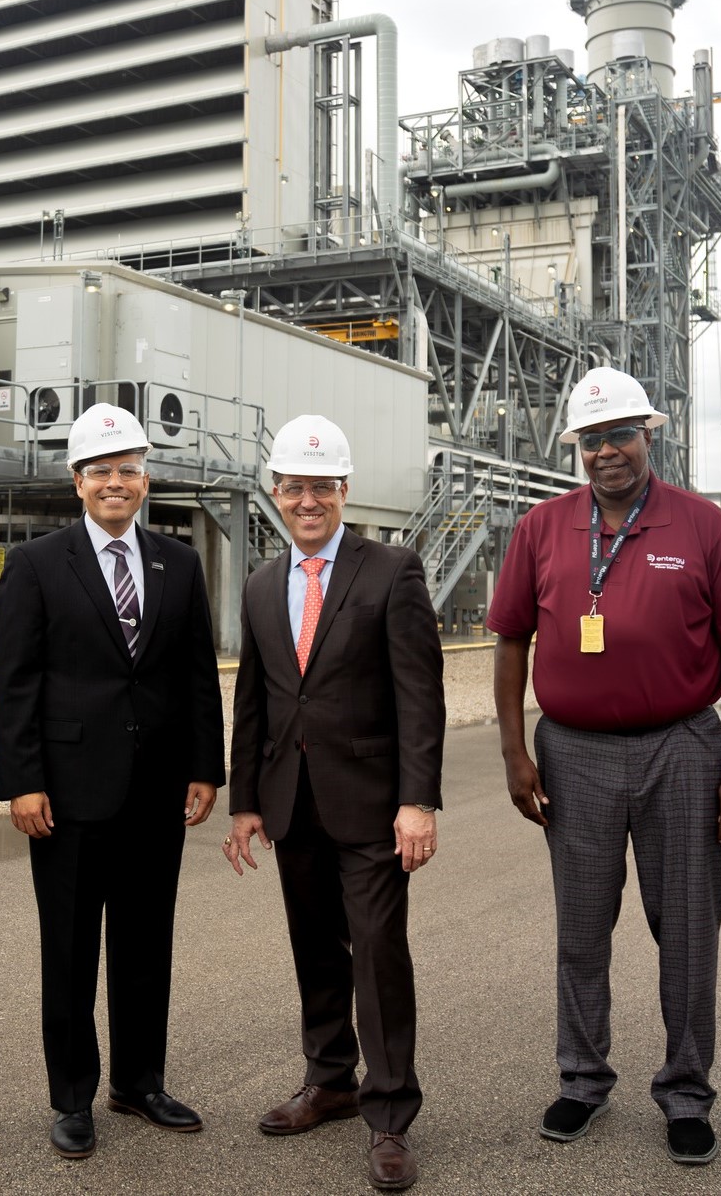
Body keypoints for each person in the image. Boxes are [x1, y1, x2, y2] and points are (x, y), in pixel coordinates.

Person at [487, 368, 721, 1168]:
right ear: (575, 446)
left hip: (682, 744)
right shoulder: (540, 528)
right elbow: (511, 641)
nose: (608, 450)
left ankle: (686, 1092)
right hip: (572, 751)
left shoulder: (703, 525)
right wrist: (514, 750)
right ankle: (582, 1079)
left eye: (621, 434)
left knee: (684, 930)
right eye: (592, 438)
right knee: (581, 928)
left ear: (652, 433)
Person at [0, 402, 224, 1160]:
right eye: (101, 471)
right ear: (77, 481)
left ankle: (139, 1079)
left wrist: (204, 766)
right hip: (65, 790)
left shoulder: (178, 562)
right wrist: (22, 780)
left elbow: (196, 676)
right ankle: (72, 1096)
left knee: (145, 940)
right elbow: (15, 681)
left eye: (128, 469)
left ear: (146, 477)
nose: (116, 483)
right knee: (68, 948)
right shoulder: (34, 564)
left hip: (156, 788)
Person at [225, 415, 446, 1192]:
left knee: (378, 951)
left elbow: (421, 697)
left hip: (373, 804)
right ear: (275, 493)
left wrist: (418, 800)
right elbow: (254, 698)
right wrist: (245, 799)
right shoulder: (259, 582)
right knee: (315, 944)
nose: (307, 499)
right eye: (294, 486)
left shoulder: (391, 570)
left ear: (344, 491)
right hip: (292, 801)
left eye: (322, 486)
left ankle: (390, 1113)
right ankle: (330, 1079)